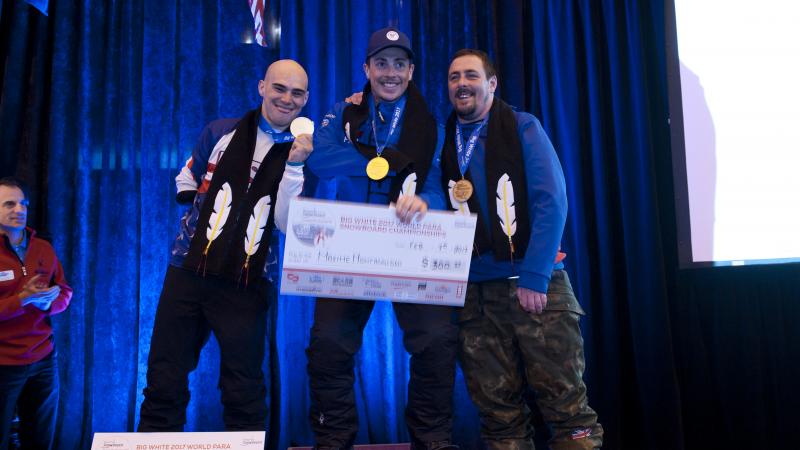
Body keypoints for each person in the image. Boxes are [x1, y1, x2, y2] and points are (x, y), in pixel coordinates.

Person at [436, 49, 603, 449]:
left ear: (491, 84)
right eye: (454, 76)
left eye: (472, 75)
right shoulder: (443, 139)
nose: (462, 83)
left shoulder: (523, 126)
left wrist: (533, 276)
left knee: (568, 411)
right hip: (474, 296)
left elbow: (552, 200)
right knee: (498, 418)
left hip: (534, 287)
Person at [138, 59, 313, 432]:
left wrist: (295, 166)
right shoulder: (221, 131)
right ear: (261, 87)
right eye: (279, 88)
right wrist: (196, 207)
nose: (286, 98)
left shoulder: (301, 152)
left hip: (247, 281)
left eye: (296, 93)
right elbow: (187, 173)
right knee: (163, 380)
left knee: (244, 390)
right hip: (189, 271)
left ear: (306, 100)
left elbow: (285, 222)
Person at [304, 27, 458, 450]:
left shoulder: (431, 125)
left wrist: (425, 202)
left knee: (437, 341)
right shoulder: (345, 113)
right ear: (366, 68)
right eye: (381, 63)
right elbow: (321, 157)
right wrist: (381, 162)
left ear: (411, 71)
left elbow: (434, 181)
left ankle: (432, 440)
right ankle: (333, 439)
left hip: (408, 241)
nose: (390, 72)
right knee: (329, 344)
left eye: (399, 64)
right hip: (351, 242)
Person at [0, 177, 73, 450]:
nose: (19, 209)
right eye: (9, 204)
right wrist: (22, 299)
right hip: (4, 363)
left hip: (43, 359)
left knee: (41, 439)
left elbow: (65, 292)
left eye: (23, 204)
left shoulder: (42, 248)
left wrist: (49, 303)